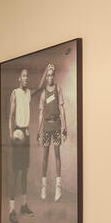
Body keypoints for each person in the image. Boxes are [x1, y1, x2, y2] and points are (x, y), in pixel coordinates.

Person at [37, 61, 70, 201]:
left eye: (52, 75)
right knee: (45, 155)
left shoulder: (58, 89)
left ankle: (58, 186)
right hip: (46, 126)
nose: (50, 77)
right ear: (46, 77)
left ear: (54, 76)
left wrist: (64, 126)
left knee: (57, 154)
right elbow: (41, 113)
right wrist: (38, 131)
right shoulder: (43, 93)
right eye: (48, 75)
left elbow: (61, 108)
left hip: (56, 125)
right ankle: (44, 186)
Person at [5, 69, 34, 223]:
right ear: (19, 78)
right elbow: (10, 117)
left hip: (26, 133)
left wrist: (46, 72)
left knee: (25, 171)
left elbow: (40, 87)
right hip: (17, 133)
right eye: (23, 75)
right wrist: (11, 135)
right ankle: (11, 210)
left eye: (27, 76)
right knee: (16, 172)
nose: (26, 78)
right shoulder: (15, 93)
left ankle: (24, 205)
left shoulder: (28, 93)